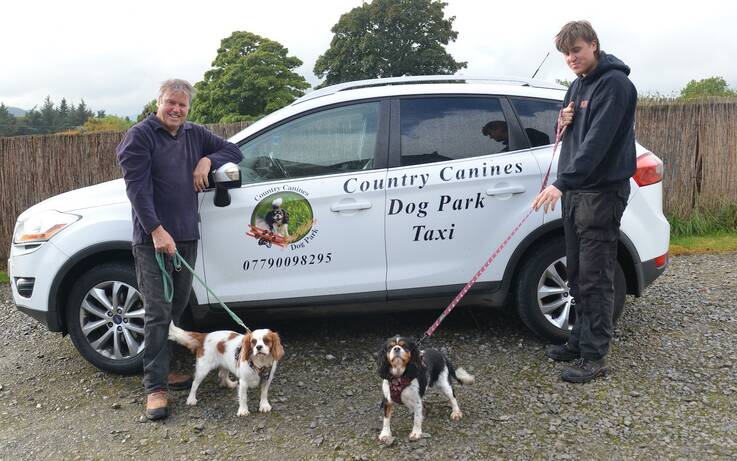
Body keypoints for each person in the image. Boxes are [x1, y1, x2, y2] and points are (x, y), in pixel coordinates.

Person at [116, 79, 243, 419]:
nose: (176, 109)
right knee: (158, 311)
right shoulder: (139, 137)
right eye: (171, 103)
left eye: (182, 105)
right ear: (158, 102)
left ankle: (168, 369)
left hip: (187, 235)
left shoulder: (194, 134)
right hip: (153, 240)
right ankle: (155, 388)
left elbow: (235, 152)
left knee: (176, 306)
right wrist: (156, 230)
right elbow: (137, 191)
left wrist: (206, 160)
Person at [532, 21, 637, 383]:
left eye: (576, 50)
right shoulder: (577, 86)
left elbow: (598, 142)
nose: (571, 58)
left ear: (593, 45)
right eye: (566, 54)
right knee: (575, 272)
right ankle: (577, 341)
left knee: (595, 277)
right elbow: (566, 136)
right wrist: (561, 121)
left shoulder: (615, 85)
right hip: (577, 194)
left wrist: (562, 183)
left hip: (601, 193)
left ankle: (595, 357)